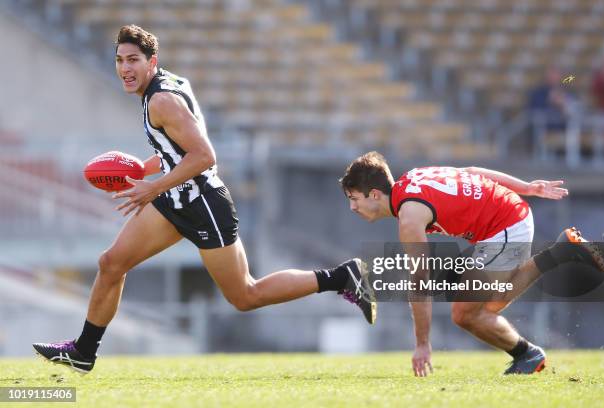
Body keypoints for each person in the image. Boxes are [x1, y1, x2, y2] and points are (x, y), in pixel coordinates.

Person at [32, 25, 375, 374]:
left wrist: (151, 187)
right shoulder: (166, 86)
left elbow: (204, 155)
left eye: (133, 60)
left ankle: (341, 277)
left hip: (203, 205)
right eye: (119, 60)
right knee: (111, 264)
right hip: (175, 200)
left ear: (153, 61)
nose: (125, 68)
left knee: (245, 295)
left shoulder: (162, 100)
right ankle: (84, 351)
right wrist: (143, 171)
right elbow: (177, 151)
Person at [339, 151, 604, 376]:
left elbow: (420, 282)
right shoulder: (411, 178)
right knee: (476, 311)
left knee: (468, 313)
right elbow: (471, 170)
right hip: (504, 218)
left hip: (506, 225)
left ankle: (529, 349)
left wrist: (422, 344)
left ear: (374, 195)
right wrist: (525, 188)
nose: (352, 208)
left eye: (354, 199)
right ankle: (559, 258)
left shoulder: (409, 217)